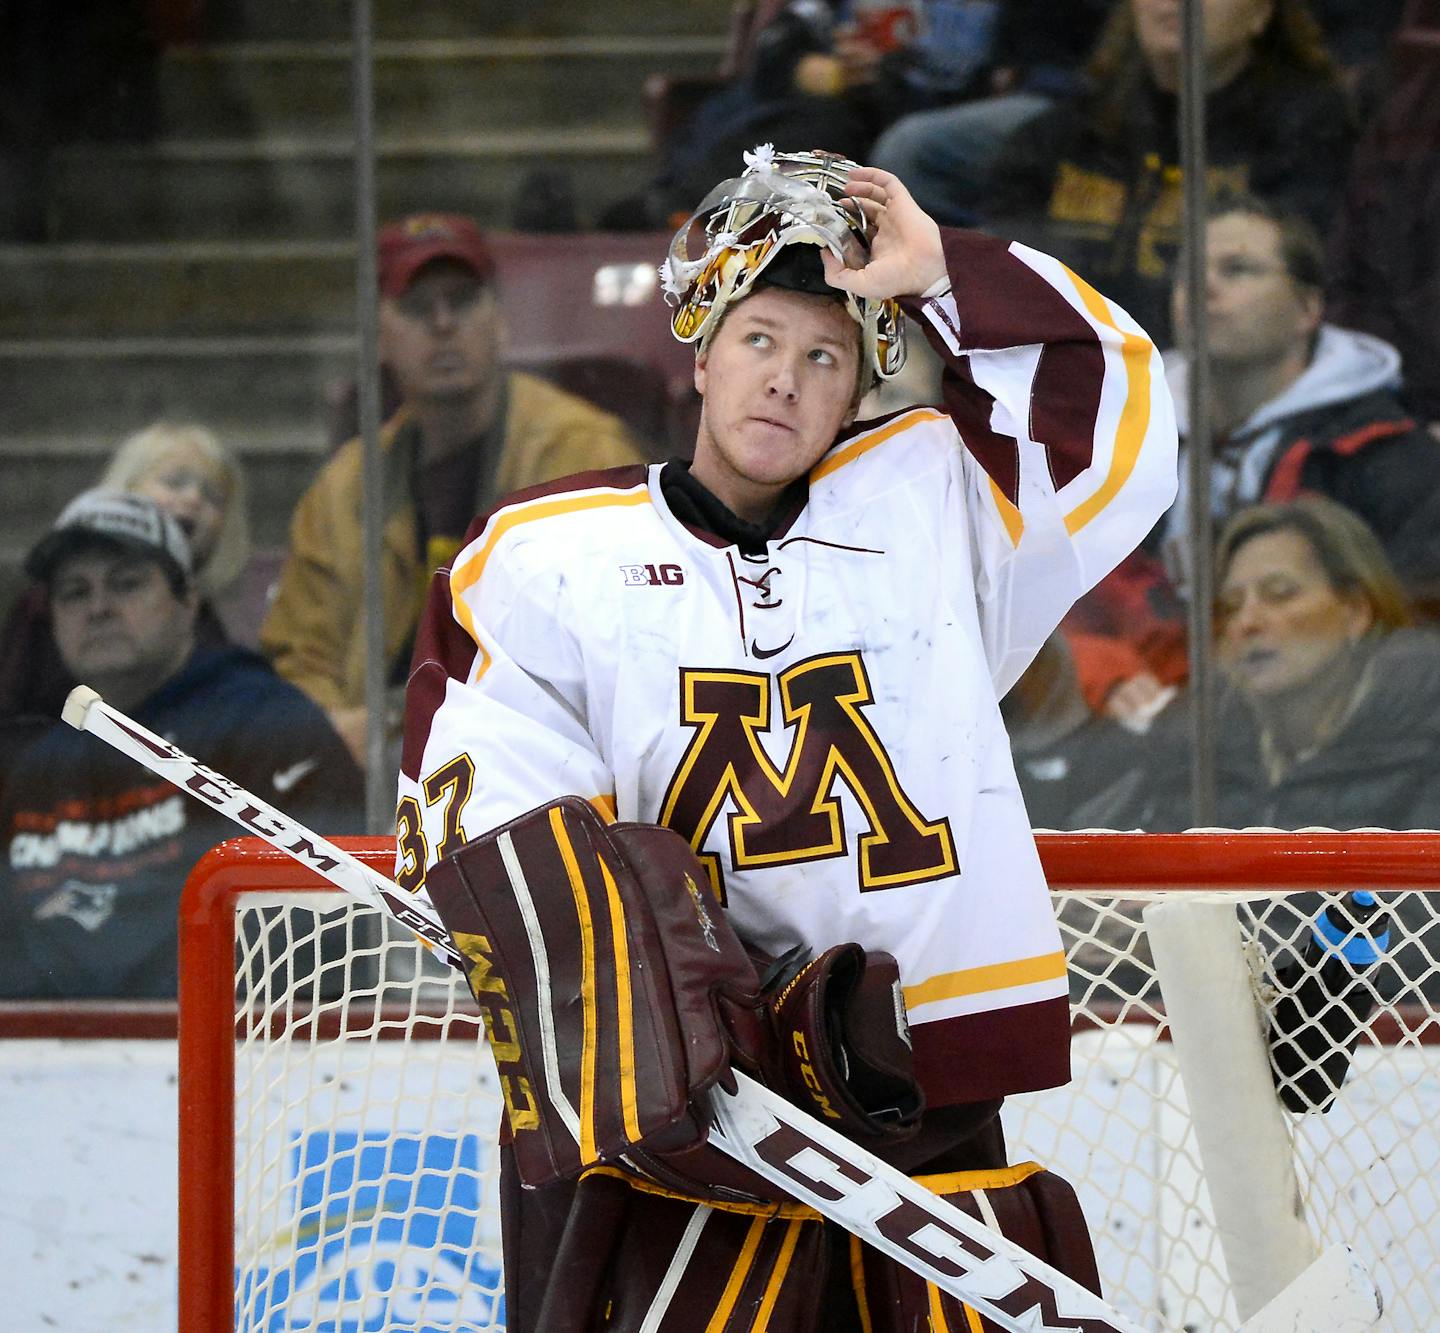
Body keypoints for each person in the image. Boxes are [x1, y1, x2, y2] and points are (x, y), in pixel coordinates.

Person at [395, 146, 1177, 1328]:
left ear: (860, 384)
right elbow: (485, 804)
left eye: (826, 356)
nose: (786, 381)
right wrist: (656, 1009)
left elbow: (1117, 408)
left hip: (927, 1097)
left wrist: (944, 274)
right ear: (701, 353)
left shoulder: (939, 503)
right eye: (760, 341)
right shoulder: (547, 552)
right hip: (694, 1128)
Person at [260, 213, 645, 768]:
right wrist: (339, 731)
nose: (443, 324)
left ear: (501, 321)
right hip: (380, 768)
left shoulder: (584, 452)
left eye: (462, 301)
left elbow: (622, 646)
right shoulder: (346, 486)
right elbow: (299, 657)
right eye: (417, 307)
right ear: (378, 337)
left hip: (538, 759)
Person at [1064, 193, 1440, 723]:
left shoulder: (1387, 458)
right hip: (1142, 738)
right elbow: (1050, 600)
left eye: (1238, 270)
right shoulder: (1112, 438)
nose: (1202, 289)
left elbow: (1416, 633)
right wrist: (1104, 672)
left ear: (1308, 309)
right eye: (1188, 274)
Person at [0, 490, 362, 999]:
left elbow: (331, 935)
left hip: (235, 1060)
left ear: (189, 601)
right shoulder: (33, 768)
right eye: (74, 592)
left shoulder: (271, 725)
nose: (99, 608)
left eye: (127, 584)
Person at [985, 0, 1354, 344]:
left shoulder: (1309, 133)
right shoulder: (1068, 131)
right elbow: (998, 265)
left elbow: (1285, 286)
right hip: (1060, 366)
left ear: (1262, 14)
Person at [1137, 496, 1440, 832]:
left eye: (1280, 593)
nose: (1246, 622)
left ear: (1356, 611)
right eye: (1231, 606)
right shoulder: (1192, 744)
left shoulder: (1427, 735)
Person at [0, 421, 251, 728]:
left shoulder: (211, 625)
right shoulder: (40, 610)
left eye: (213, 495)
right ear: (125, 487)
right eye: (174, 482)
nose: (193, 499)